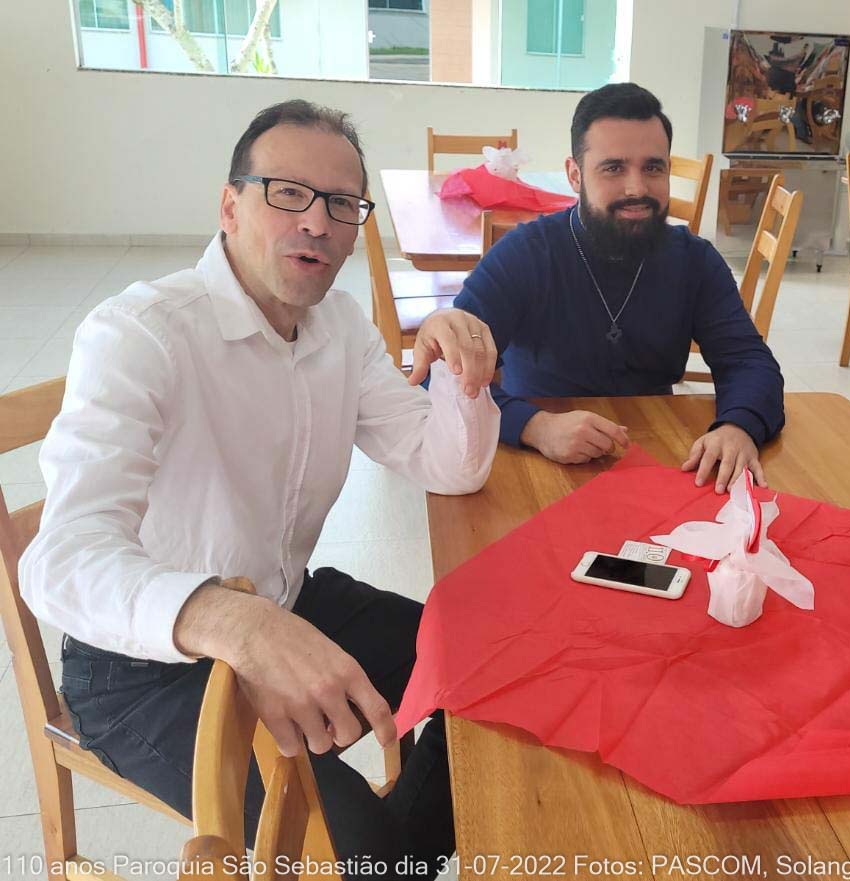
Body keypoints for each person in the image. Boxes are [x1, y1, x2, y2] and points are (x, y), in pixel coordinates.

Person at [19, 100, 501, 877]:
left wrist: (460, 374)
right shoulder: (141, 333)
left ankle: (393, 856)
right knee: (360, 846)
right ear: (230, 205)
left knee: (481, 661)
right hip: (142, 670)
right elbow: (62, 561)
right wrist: (235, 621)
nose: (317, 222)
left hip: (285, 603)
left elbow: (449, 464)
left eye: (341, 203)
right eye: (288, 192)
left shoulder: (342, 327)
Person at [453, 83, 785, 495]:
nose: (636, 188)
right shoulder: (526, 254)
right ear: (575, 174)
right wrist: (535, 426)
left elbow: (748, 361)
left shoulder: (694, 260)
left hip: (658, 459)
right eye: (613, 168)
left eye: (653, 168)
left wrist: (738, 426)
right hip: (535, 462)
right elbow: (447, 371)